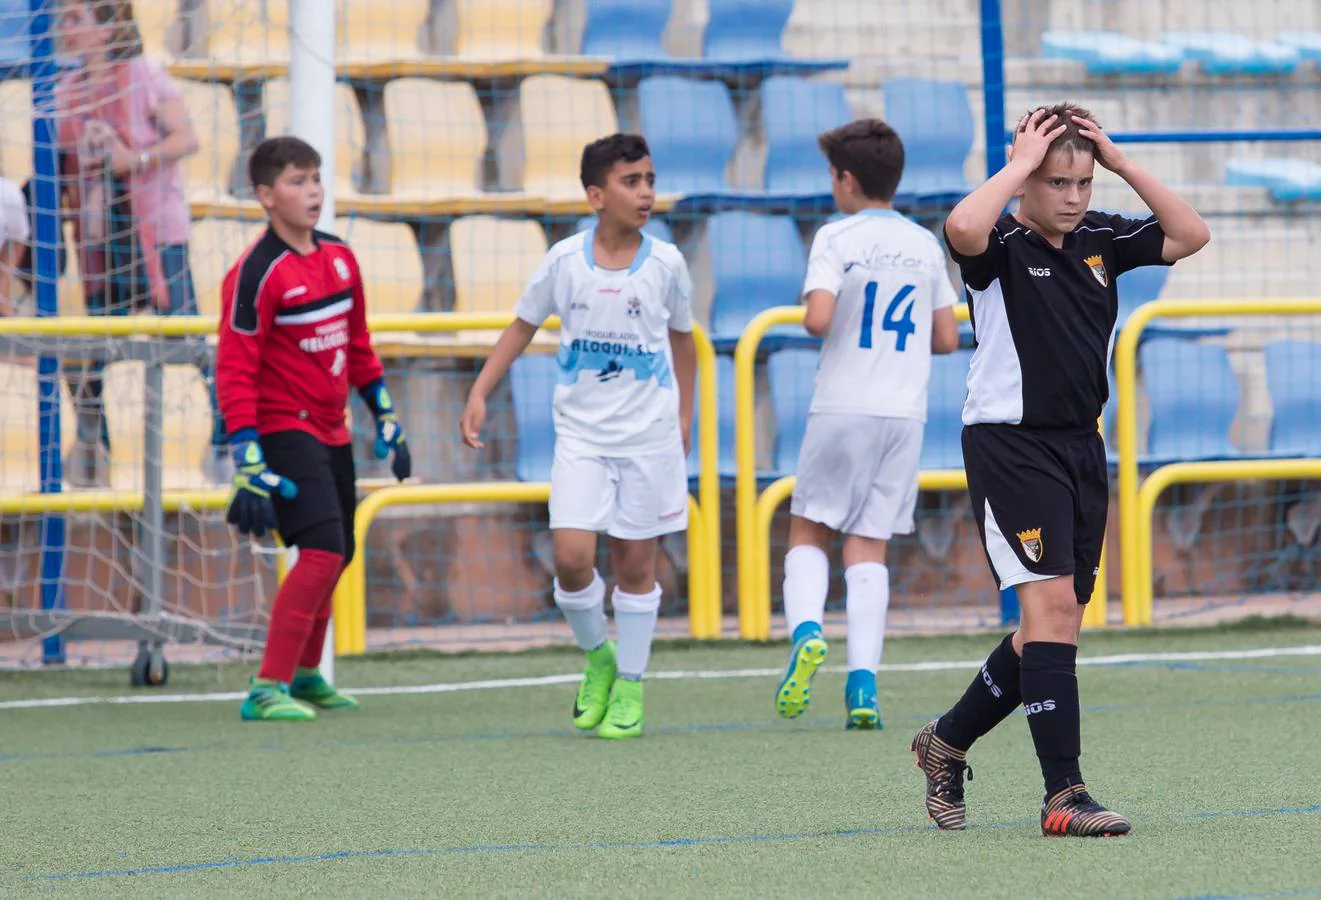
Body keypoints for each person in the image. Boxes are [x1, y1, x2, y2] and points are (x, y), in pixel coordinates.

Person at [912, 104, 1210, 836]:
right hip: (1011, 447)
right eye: (1057, 182)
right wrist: (1016, 166)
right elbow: (959, 229)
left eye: (1081, 181)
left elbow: (1189, 233)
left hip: (1081, 447)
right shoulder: (1002, 244)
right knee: (1046, 615)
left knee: (1052, 626)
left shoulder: (1101, 236)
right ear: (1025, 182)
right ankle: (1063, 795)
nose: (1073, 197)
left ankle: (944, 741)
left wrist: (1120, 160)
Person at [459, 133, 696, 741]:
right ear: (596, 195)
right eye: (630, 182)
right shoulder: (565, 262)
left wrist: (685, 415)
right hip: (581, 438)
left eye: (649, 179)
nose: (645, 192)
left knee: (635, 564)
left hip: (647, 437)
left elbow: (683, 343)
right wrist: (481, 391)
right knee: (570, 558)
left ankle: (633, 686)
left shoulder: (667, 264)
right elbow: (521, 326)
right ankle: (599, 659)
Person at [216, 136, 412, 722]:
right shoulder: (254, 274)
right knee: (322, 551)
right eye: (298, 181)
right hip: (282, 430)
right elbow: (235, 368)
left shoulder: (340, 257)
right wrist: (246, 455)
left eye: (316, 178)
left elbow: (358, 350)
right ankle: (265, 688)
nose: (313, 191)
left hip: (333, 429)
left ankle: (304, 676)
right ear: (265, 196)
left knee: (341, 551)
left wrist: (387, 417)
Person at [774, 119, 960, 730]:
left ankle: (806, 632)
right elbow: (945, 337)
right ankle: (863, 686)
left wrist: (820, 303)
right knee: (869, 545)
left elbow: (818, 320)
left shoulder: (836, 236)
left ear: (846, 180)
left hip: (843, 406)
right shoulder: (925, 244)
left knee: (808, 530)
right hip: (903, 413)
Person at [54, 0, 225, 486]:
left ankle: (227, 441)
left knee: (187, 338)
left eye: (76, 20)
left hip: (156, 233)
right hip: (100, 241)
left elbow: (186, 139)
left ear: (107, 30)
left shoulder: (142, 75)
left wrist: (138, 159)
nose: (66, 29)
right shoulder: (66, 92)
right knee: (95, 352)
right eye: (64, 19)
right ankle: (100, 451)